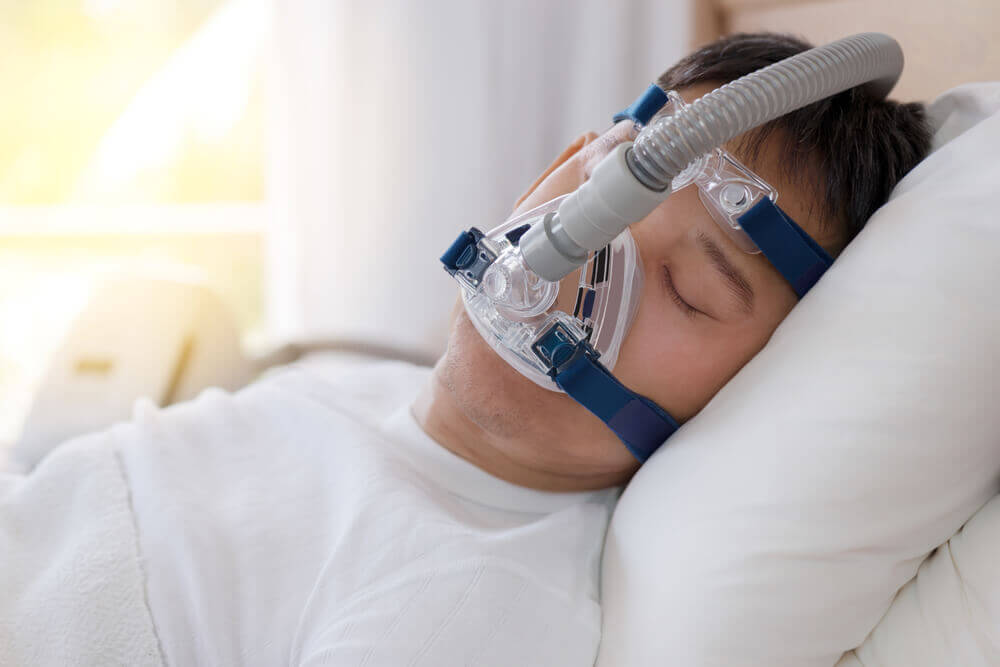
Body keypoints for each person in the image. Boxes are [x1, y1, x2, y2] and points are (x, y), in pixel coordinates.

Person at [0, 33, 930, 666]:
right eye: (608, 179)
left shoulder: (472, 606)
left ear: (755, 388)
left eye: (690, 290)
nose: (583, 250)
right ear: (555, 166)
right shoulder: (356, 389)